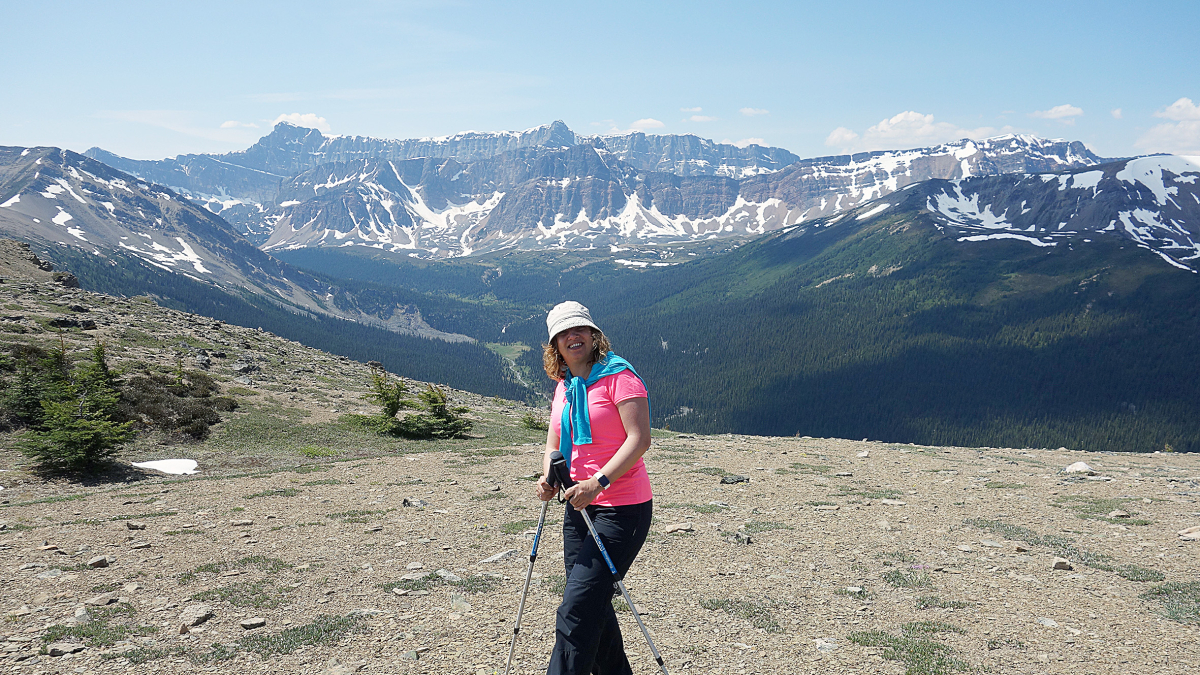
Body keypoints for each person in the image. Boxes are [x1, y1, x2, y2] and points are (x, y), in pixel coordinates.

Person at [536, 301, 653, 675]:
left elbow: (639, 440)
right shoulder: (564, 386)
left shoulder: (620, 377)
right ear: (554, 344)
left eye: (579, 330)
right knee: (592, 603)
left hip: (622, 508)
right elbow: (554, 438)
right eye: (564, 333)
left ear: (593, 335)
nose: (573, 337)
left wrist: (597, 481)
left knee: (577, 608)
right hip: (578, 506)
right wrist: (547, 476)